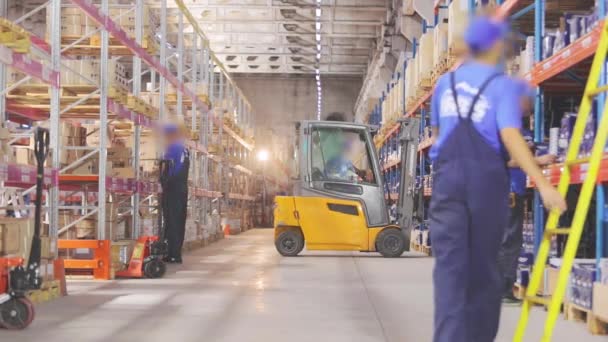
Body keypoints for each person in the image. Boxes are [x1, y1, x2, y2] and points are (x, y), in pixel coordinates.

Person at [428, 16, 566, 342]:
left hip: (446, 183)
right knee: (484, 273)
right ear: (493, 46)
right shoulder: (499, 85)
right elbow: (510, 137)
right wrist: (544, 185)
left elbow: (439, 137)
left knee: (450, 273)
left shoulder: (444, 85)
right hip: (484, 186)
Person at [498, 81, 556, 304]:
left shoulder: (522, 129)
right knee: (509, 241)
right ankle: (502, 290)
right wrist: (539, 160)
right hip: (508, 192)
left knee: (511, 240)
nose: (530, 106)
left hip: (515, 191)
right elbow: (509, 160)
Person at [162, 123, 190, 264]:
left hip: (173, 189)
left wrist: (164, 181)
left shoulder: (173, 148)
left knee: (171, 220)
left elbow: (169, 169)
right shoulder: (184, 149)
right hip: (182, 189)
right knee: (179, 221)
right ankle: (176, 253)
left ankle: (172, 253)